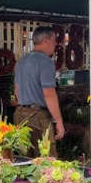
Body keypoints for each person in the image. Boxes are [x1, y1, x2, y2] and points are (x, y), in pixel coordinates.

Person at [14, 26, 65, 156]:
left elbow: (17, 91)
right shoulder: (46, 62)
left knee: (24, 158)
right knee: (47, 158)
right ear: (46, 40)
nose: (55, 44)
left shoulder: (21, 61)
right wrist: (58, 121)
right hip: (38, 116)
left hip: (20, 114)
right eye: (54, 40)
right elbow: (49, 94)